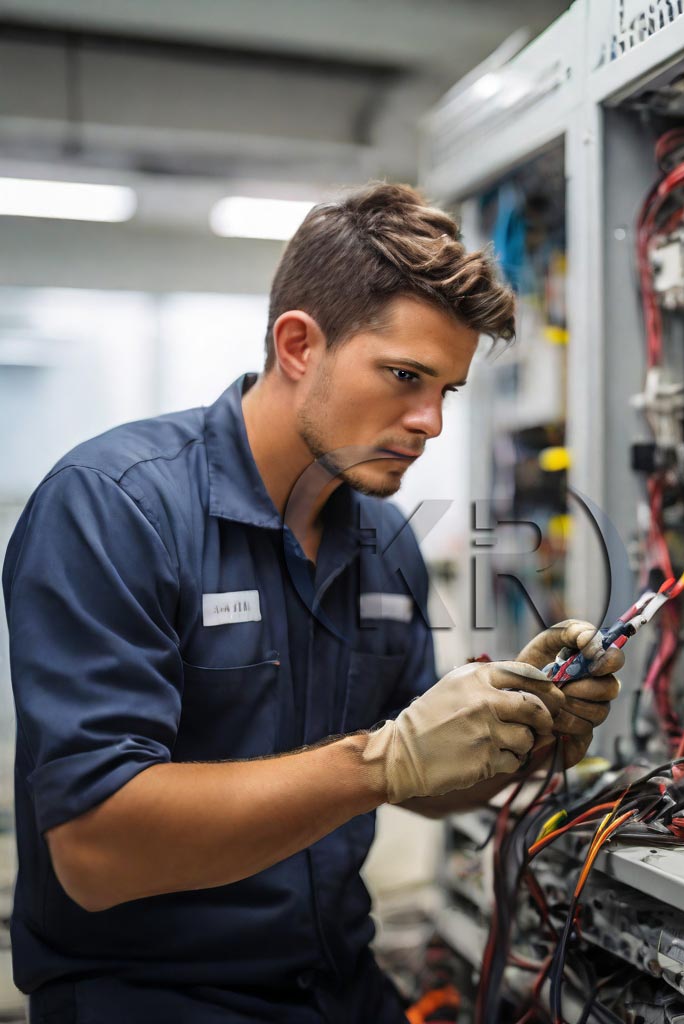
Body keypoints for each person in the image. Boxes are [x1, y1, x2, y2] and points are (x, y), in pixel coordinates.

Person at [2, 183, 623, 1023]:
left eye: (448, 390)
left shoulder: (382, 538)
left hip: (338, 984)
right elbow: (96, 849)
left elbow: (418, 781)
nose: (430, 422)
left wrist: (515, 732)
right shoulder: (115, 507)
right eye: (405, 376)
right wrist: (385, 758)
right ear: (299, 343)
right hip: (151, 998)